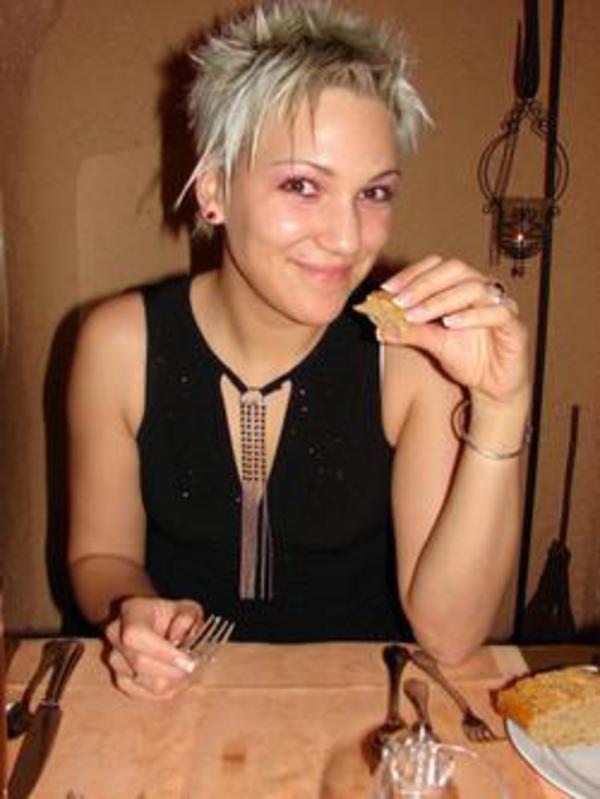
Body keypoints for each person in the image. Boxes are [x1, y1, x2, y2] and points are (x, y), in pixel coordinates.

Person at [68, 0, 530, 701]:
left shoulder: (411, 354)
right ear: (215, 189)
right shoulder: (119, 344)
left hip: (360, 715)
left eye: (374, 193)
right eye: (302, 185)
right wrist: (136, 610)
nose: (347, 238)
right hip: (173, 704)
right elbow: (100, 554)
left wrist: (500, 407)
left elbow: (450, 635)